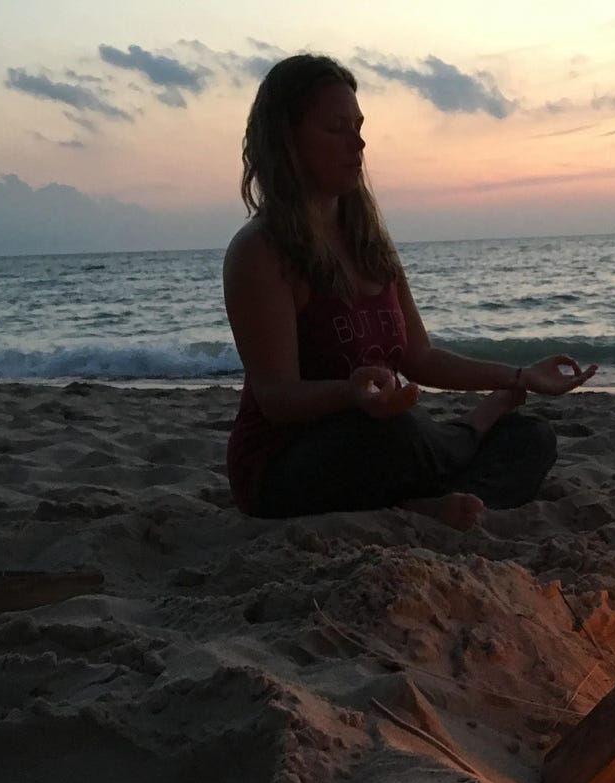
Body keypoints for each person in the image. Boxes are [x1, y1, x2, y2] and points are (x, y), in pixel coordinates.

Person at [224, 54, 595, 529]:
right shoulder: (261, 251)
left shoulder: (370, 244)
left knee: (532, 438)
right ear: (287, 139)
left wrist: (519, 376)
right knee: (391, 434)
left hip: (388, 445)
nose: (357, 143)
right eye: (336, 128)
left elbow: (419, 357)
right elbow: (276, 397)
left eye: (358, 126)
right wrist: (351, 393)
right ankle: (465, 436)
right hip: (288, 462)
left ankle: (429, 506)